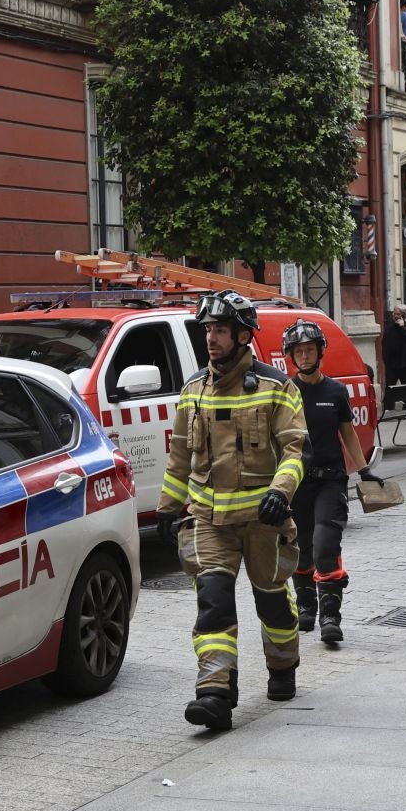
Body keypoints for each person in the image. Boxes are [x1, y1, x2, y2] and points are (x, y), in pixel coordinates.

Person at [157, 291, 307, 732]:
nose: (211, 338)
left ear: (243, 335)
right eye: (207, 330)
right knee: (214, 604)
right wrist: (167, 509)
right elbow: (179, 458)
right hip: (209, 522)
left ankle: (283, 665)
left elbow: (296, 449)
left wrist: (281, 491)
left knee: (273, 604)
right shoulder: (192, 392)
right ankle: (215, 692)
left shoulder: (276, 388)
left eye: (220, 330)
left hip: (264, 522)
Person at [283, 319, 375, 647]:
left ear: (320, 352)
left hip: (331, 482)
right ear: (291, 356)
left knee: (325, 543)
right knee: (301, 547)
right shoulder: (285, 392)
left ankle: (330, 615)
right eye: (298, 351)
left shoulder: (336, 392)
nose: (304, 356)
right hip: (296, 483)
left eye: (309, 349)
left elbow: (347, 433)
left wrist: (363, 470)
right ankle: (305, 605)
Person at [381, 304, 406, 409]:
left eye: (397, 314)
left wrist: (402, 327)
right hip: (392, 364)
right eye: (394, 313)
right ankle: (387, 409)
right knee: (389, 387)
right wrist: (386, 359)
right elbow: (384, 343)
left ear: (403, 315)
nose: (395, 316)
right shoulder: (390, 326)